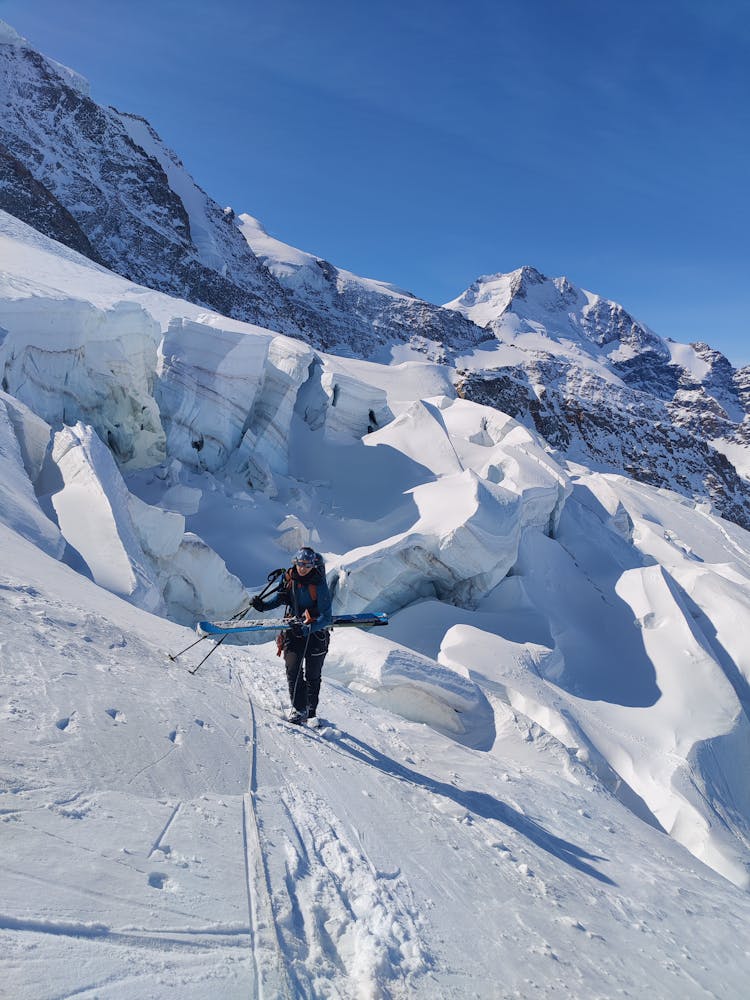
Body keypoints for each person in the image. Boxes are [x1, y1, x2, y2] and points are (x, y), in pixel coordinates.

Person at [252, 547, 333, 726]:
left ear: (313, 565)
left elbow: (325, 617)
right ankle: (298, 709)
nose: (303, 568)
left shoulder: (318, 583)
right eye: (300, 564)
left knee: (313, 675)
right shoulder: (288, 577)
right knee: (293, 669)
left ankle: (311, 712)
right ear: (295, 562)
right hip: (293, 629)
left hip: (316, 633)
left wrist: (306, 629)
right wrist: (263, 606)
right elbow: (281, 598)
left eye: (307, 565)